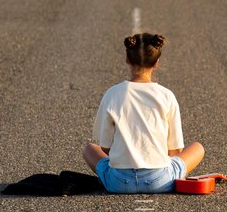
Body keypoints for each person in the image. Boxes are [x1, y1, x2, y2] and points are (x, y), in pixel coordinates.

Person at [83, 33, 205, 193]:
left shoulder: (112, 94)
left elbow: (105, 148)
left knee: (89, 149)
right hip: (159, 181)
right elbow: (175, 151)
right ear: (157, 63)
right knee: (198, 148)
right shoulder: (166, 95)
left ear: (127, 60)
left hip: (119, 182)